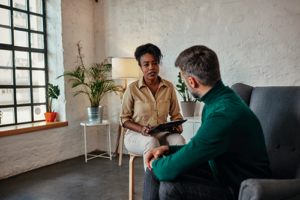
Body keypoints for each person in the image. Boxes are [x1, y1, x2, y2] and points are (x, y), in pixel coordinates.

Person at [143, 45, 272, 200]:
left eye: (183, 80)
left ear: (192, 81)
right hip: (222, 174)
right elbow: (199, 148)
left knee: (170, 186)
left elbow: (169, 170)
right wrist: (167, 149)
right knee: (155, 172)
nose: (184, 83)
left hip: (242, 189)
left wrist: (155, 163)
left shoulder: (223, 115)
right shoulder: (219, 99)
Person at [119, 43, 186, 170]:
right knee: (151, 142)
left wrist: (177, 125)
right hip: (136, 136)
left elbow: (176, 115)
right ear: (140, 67)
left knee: (179, 140)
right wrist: (142, 129)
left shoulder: (169, 87)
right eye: (146, 64)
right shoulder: (132, 89)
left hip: (160, 133)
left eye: (154, 63)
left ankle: (177, 183)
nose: (151, 68)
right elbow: (124, 119)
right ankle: (153, 185)